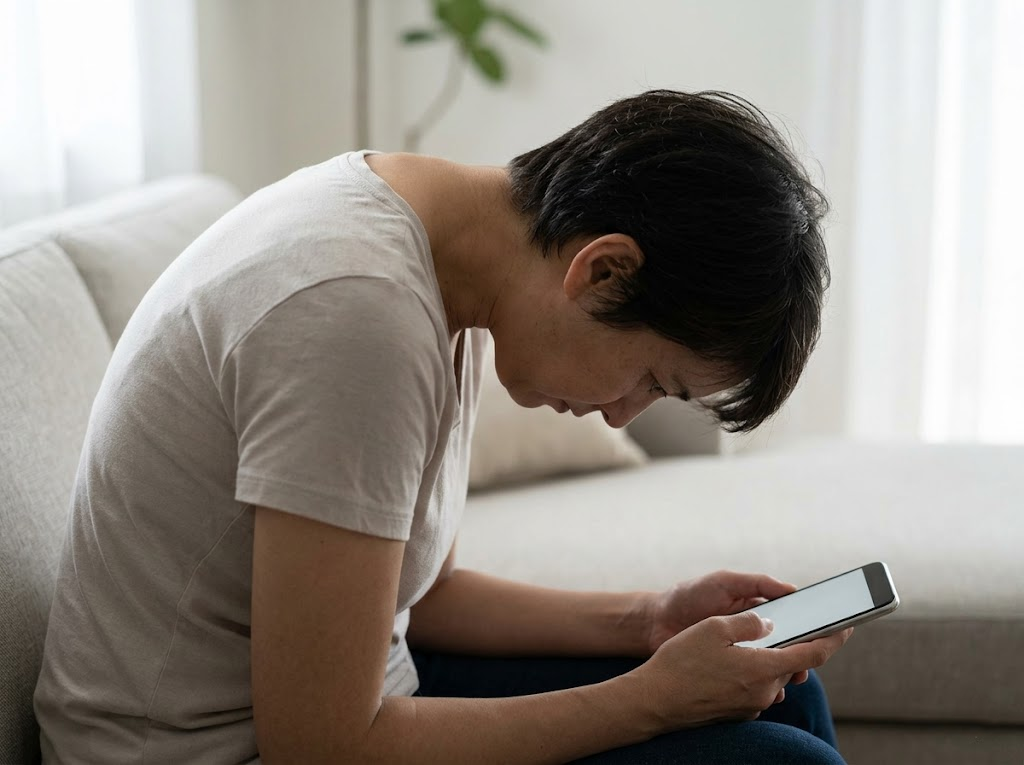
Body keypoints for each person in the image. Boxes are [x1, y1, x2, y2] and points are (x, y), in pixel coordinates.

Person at [34, 89, 850, 764]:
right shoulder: (355, 314)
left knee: (780, 686)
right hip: (211, 751)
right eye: (649, 378)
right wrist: (648, 699)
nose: (622, 413)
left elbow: (424, 598)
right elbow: (322, 747)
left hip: (340, 706)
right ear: (603, 270)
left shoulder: (435, 261)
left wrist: (649, 618)